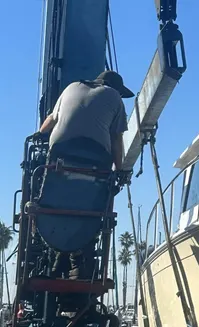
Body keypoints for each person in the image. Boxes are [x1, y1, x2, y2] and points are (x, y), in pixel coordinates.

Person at [37, 70, 135, 279]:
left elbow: (48, 123)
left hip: (60, 154)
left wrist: (39, 134)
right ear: (116, 88)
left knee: (58, 196)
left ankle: (59, 260)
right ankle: (80, 259)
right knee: (93, 202)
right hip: (95, 157)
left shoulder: (71, 87)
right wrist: (120, 169)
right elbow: (116, 139)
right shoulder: (114, 97)